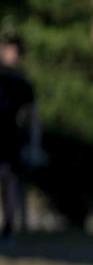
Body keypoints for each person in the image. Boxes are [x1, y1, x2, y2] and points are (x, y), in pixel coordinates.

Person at [0, 33, 39, 243]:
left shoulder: (22, 83)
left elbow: (33, 116)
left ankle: (7, 229)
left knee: (10, 184)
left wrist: (34, 143)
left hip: (10, 139)